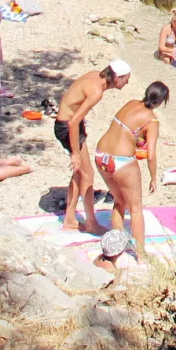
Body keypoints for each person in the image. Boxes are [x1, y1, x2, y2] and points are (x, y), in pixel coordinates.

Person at [54, 60, 131, 234]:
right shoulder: (96, 92)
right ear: (117, 77)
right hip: (68, 126)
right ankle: (91, 223)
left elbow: (72, 104)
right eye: (126, 79)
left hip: (69, 124)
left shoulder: (96, 75)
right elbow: (73, 122)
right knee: (87, 174)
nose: (127, 83)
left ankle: (70, 219)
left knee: (80, 173)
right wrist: (75, 152)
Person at [92, 81, 167, 254]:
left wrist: (137, 140)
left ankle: (116, 245)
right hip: (121, 161)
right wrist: (154, 177)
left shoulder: (131, 103)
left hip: (101, 156)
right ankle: (141, 255)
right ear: (161, 101)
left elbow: (126, 131)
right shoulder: (152, 121)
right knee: (135, 209)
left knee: (120, 201)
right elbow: (151, 154)